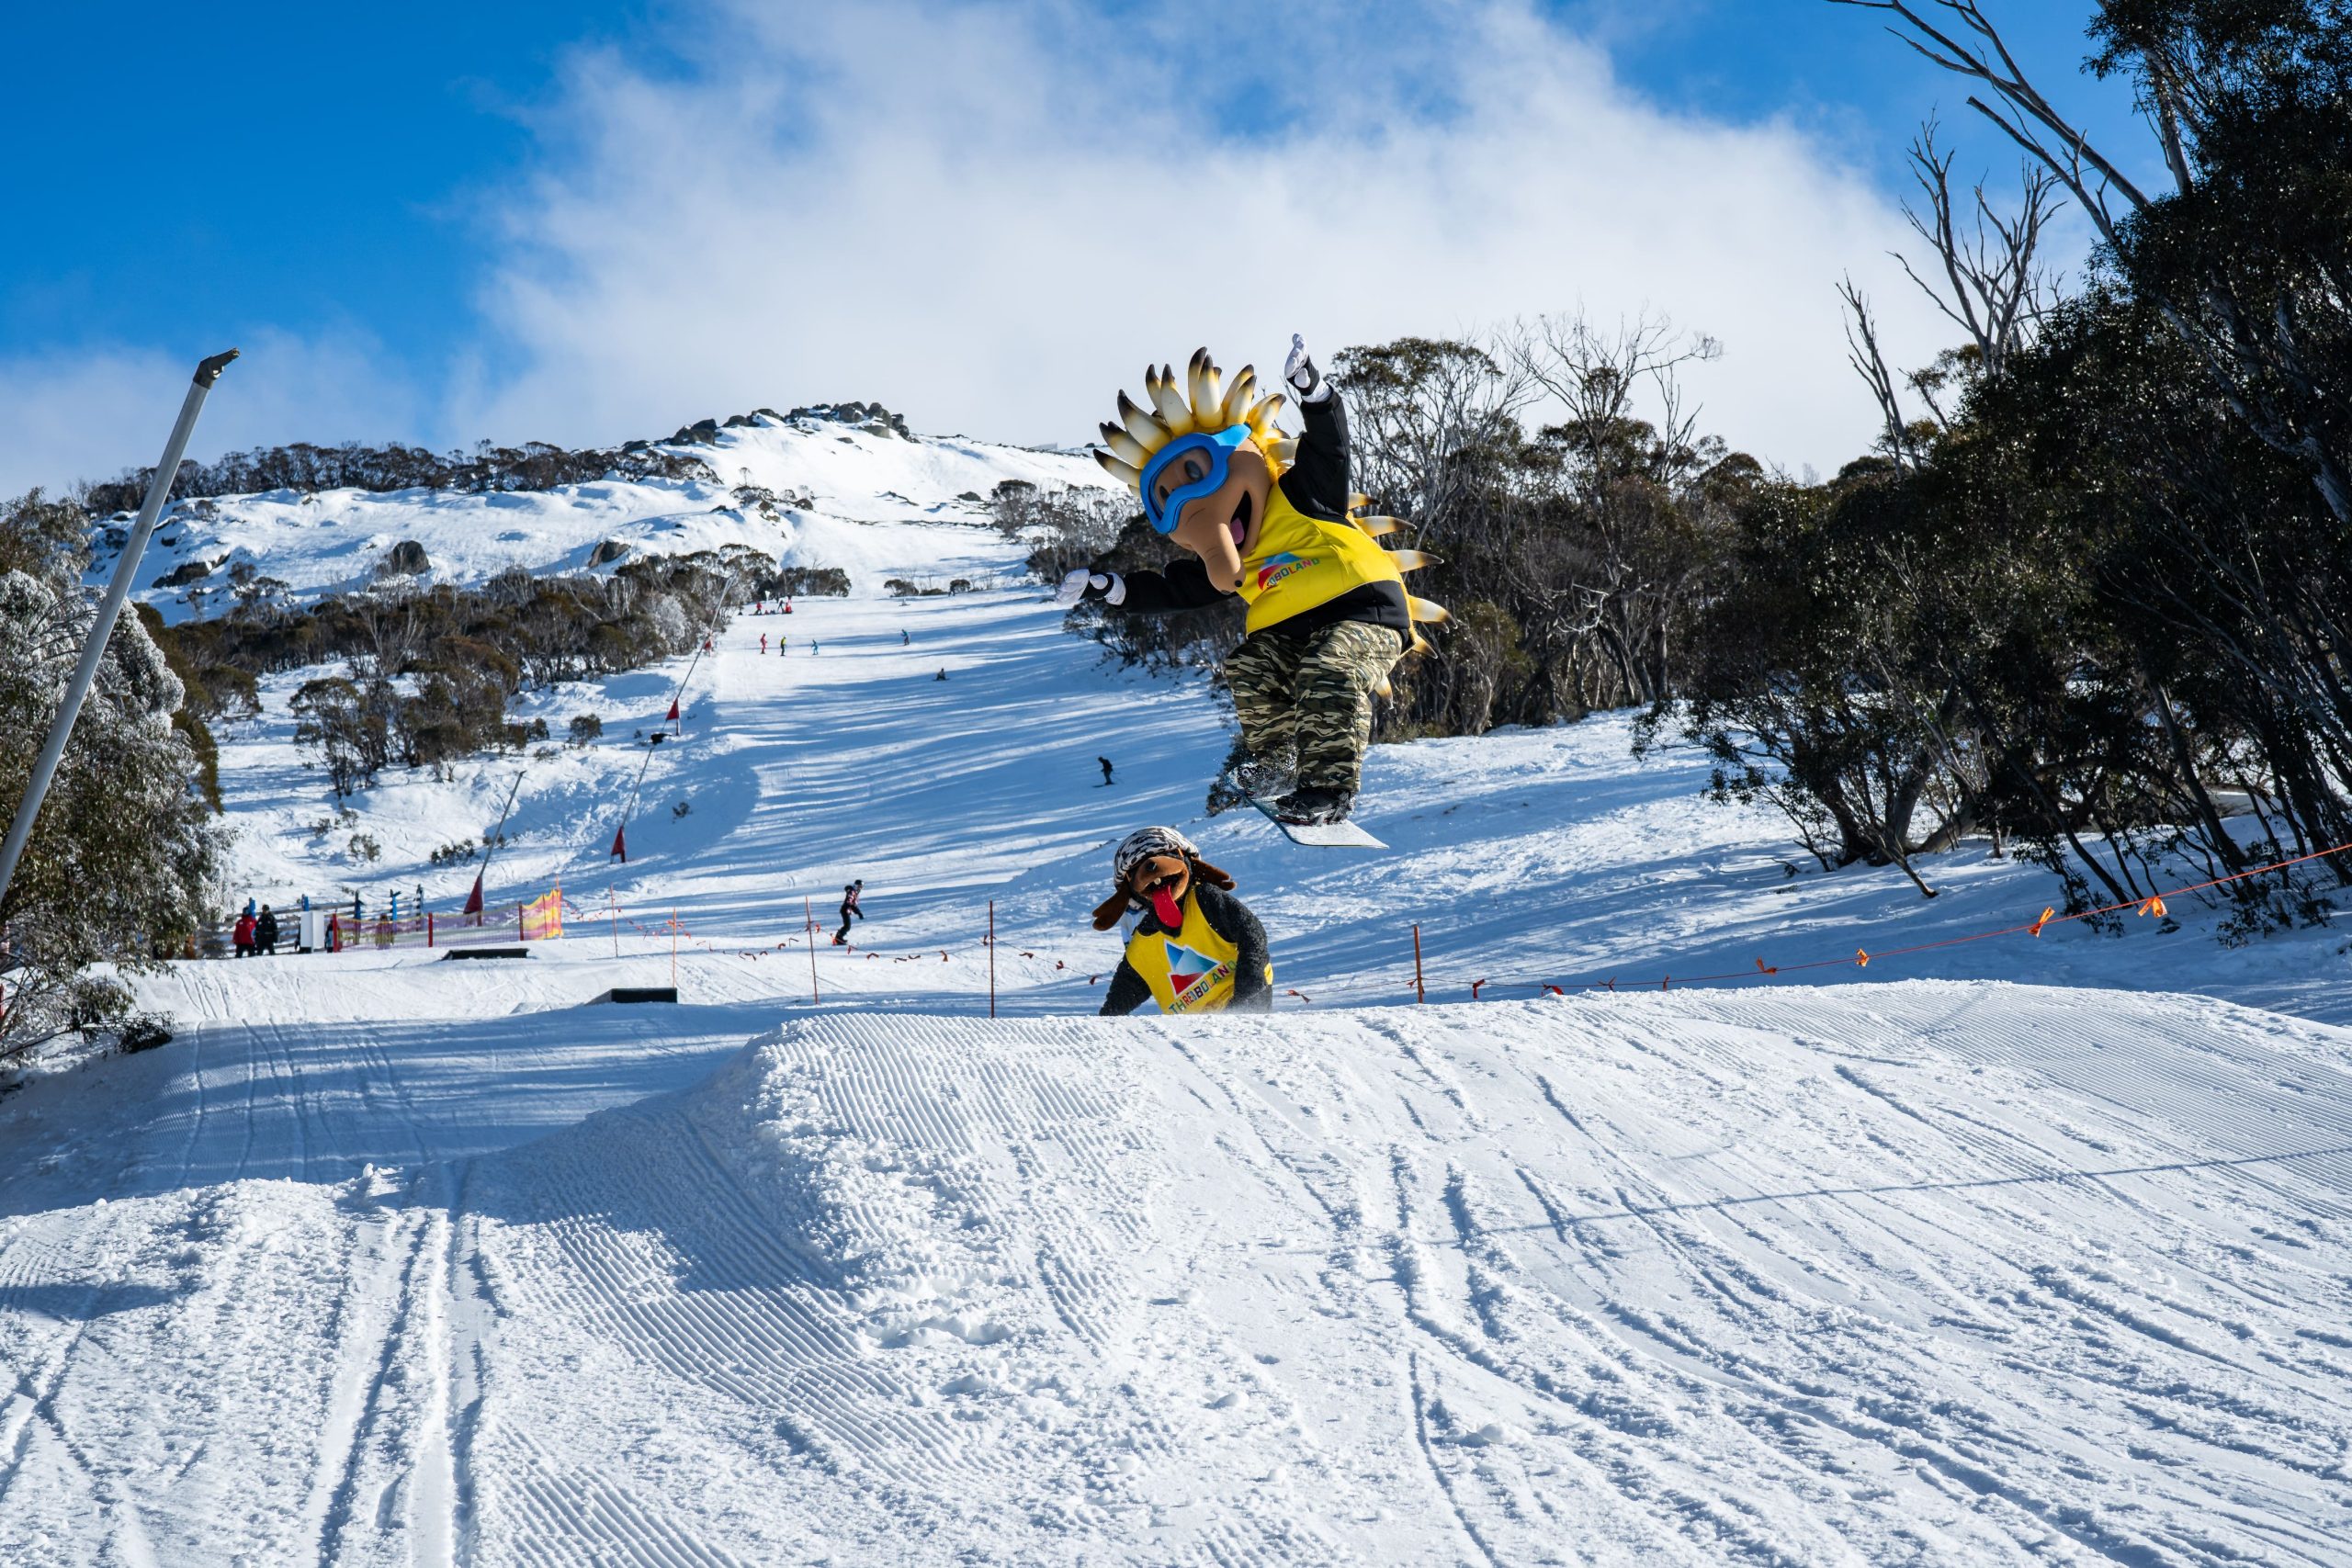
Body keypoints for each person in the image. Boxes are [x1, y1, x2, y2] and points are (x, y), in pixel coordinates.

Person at [1058, 336, 1442, 825]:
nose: (1187, 508)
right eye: (1164, 502)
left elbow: (1330, 449)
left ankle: (1329, 788)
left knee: (1329, 671)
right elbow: (1171, 592)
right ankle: (1280, 759)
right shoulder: (1227, 560)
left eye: (1197, 470)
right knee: (1250, 667)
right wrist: (1105, 587)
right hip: (1286, 631)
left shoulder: (1301, 496)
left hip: (1361, 606)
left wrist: (1315, 393)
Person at [1092, 827, 1271, 1015]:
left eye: (1169, 854)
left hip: (1241, 999)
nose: (1153, 867)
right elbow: (1129, 985)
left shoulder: (1205, 899)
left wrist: (1248, 985)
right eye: (1136, 870)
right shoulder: (1143, 941)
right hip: (1192, 1029)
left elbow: (1251, 933)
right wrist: (1107, 1020)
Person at [832, 879, 865, 945]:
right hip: (845, 910)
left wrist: (857, 912)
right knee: (847, 926)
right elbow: (849, 903)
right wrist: (858, 912)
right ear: (856, 886)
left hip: (846, 910)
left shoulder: (854, 892)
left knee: (847, 926)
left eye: (861, 887)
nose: (860, 888)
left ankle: (839, 937)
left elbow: (853, 904)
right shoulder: (852, 892)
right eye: (859, 886)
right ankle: (838, 938)